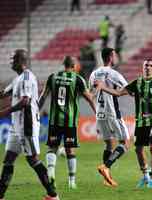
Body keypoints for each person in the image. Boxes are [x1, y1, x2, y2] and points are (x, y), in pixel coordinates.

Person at [95, 58, 152, 189]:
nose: (148, 67)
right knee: (138, 149)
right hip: (141, 121)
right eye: (146, 65)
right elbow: (119, 93)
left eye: (151, 65)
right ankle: (146, 176)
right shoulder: (137, 83)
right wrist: (103, 87)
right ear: (142, 68)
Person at [0, 49, 59, 200]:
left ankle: (53, 195)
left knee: (32, 159)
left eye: (13, 59)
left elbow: (25, 102)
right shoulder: (18, 79)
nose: (10, 62)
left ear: (20, 61)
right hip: (15, 127)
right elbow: (3, 94)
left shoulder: (27, 77)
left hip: (27, 125)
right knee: (8, 159)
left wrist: (3, 112)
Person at [38, 56, 96, 190]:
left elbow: (43, 96)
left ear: (64, 64)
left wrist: (36, 111)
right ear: (74, 65)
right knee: (70, 150)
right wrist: (96, 110)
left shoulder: (53, 77)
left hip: (54, 119)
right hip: (69, 120)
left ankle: (51, 174)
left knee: (52, 147)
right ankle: (71, 181)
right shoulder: (78, 79)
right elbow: (89, 98)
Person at [88, 48, 130, 188]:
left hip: (100, 113)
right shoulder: (113, 73)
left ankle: (107, 179)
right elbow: (128, 90)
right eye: (115, 55)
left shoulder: (94, 73)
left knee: (109, 145)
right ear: (111, 57)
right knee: (125, 143)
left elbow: (91, 93)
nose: (117, 57)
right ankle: (106, 166)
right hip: (112, 112)